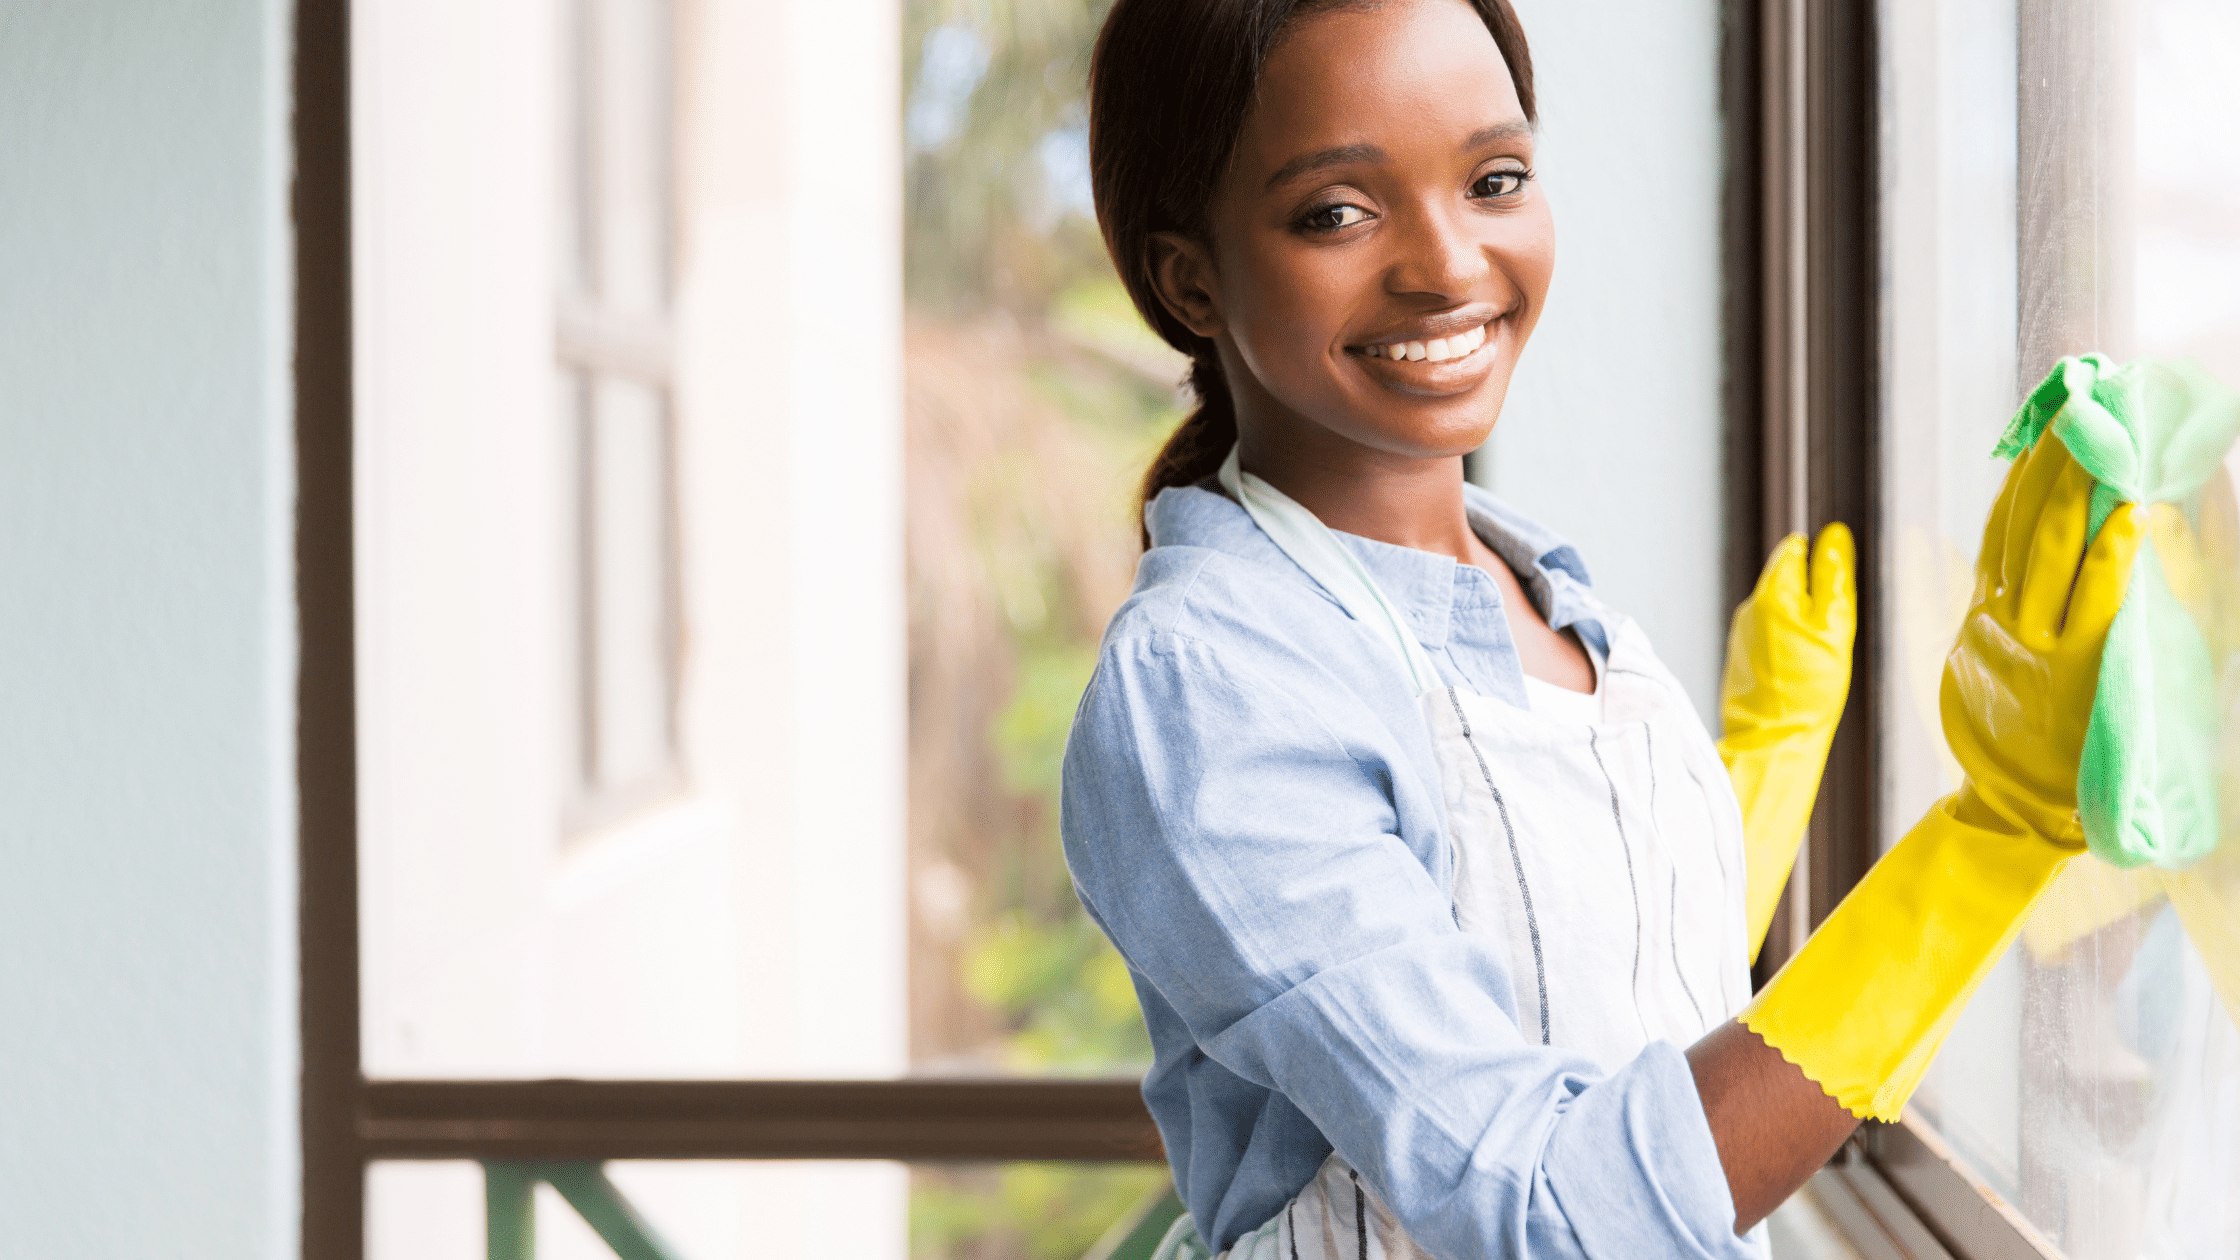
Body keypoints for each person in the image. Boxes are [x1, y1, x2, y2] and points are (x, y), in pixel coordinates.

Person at [1057, 1, 2150, 1257]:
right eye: (1336, 213)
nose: (1448, 263)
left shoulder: (1546, 591)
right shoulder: (1212, 686)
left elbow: (1564, 995)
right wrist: (1986, 841)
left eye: (1493, 179)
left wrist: (1757, 778)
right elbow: (1544, 1211)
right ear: (1190, 277)